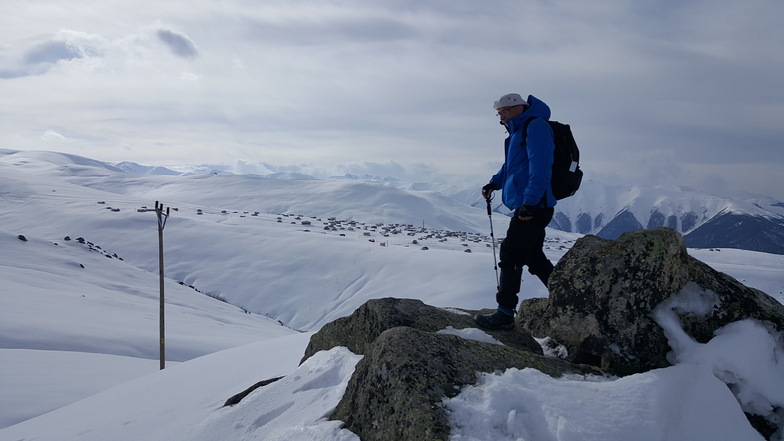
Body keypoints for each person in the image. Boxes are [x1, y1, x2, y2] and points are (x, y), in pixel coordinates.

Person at [475, 93, 556, 330]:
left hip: (533, 206)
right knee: (534, 256)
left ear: (516, 109)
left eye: (502, 112)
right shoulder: (518, 132)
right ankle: (565, 295)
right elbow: (512, 166)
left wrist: (529, 202)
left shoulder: (535, 126)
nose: (499, 116)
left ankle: (504, 313)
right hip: (530, 205)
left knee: (510, 255)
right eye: (498, 112)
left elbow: (541, 166)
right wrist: (494, 183)